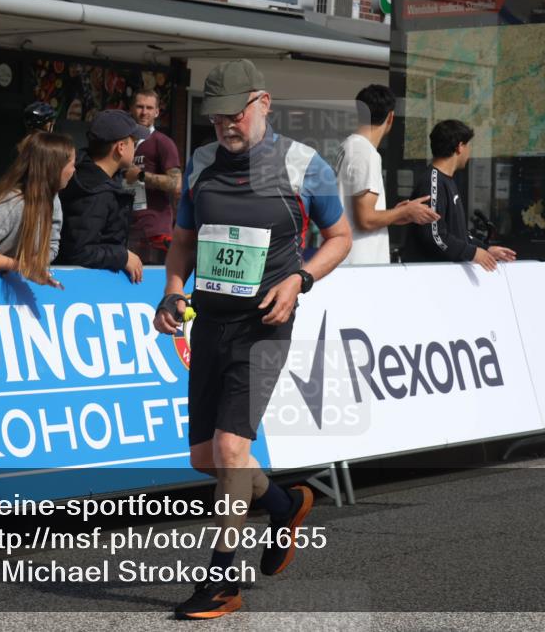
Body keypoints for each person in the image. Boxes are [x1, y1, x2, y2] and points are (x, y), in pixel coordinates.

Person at [152, 59, 351, 620]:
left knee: (232, 450)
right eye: (216, 118)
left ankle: (221, 580)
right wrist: (171, 292)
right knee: (203, 458)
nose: (225, 126)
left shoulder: (303, 165)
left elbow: (340, 238)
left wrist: (300, 278)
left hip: (266, 322)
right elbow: (184, 241)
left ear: (263, 101)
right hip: (210, 321)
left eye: (234, 114)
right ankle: (285, 503)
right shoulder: (199, 163)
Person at [334, 84, 438, 265]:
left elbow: (359, 214)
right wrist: (406, 211)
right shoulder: (365, 153)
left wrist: (397, 213)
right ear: (390, 117)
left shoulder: (348, 146)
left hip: (348, 261)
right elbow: (365, 220)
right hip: (360, 264)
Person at [0, 132, 73, 288]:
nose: (74, 170)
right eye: (72, 164)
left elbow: (51, 246)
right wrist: (20, 267)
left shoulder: (53, 200)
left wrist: (34, 265)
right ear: (55, 167)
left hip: (1, 290)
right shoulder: (13, 203)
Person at [401, 120, 516, 270]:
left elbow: (457, 233)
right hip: (430, 276)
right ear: (460, 147)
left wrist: (485, 249)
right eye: (469, 146)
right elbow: (435, 236)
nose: (469, 152)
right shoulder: (432, 182)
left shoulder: (446, 181)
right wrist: (473, 253)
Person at [55, 109, 146, 283]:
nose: (135, 147)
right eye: (133, 142)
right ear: (120, 147)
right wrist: (122, 256)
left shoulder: (87, 174)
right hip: (79, 289)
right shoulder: (95, 192)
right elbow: (80, 252)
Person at [124, 89, 183, 265]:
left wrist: (141, 175)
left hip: (154, 230)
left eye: (149, 108)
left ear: (157, 112)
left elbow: (176, 184)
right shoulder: (123, 142)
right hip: (126, 227)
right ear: (131, 109)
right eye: (140, 107)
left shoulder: (162, 142)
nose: (144, 112)